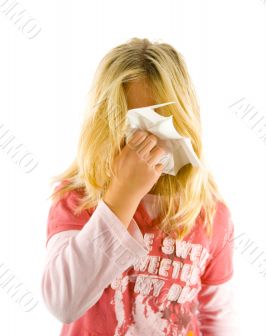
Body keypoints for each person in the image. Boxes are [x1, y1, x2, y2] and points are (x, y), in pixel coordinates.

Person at [41, 37, 240, 335]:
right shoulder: (78, 199)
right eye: (128, 129)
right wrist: (122, 196)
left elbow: (217, 317)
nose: (140, 147)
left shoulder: (210, 214)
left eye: (154, 126)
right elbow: (63, 302)